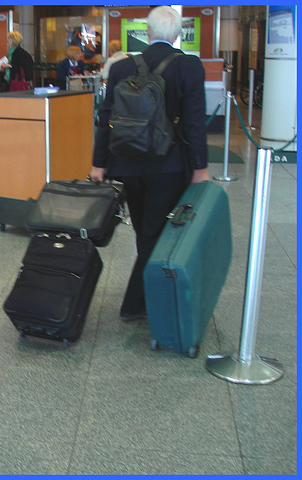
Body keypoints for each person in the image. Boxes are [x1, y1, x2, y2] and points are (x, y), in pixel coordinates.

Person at [90, 6, 209, 321]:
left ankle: (146, 297)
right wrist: (200, 167)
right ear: (177, 34)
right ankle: (134, 303)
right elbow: (195, 122)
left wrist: (98, 164)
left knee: (146, 230)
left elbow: (106, 120)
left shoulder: (120, 68)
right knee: (154, 232)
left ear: (148, 32)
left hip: (126, 163)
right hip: (168, 165)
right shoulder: (189, 67)